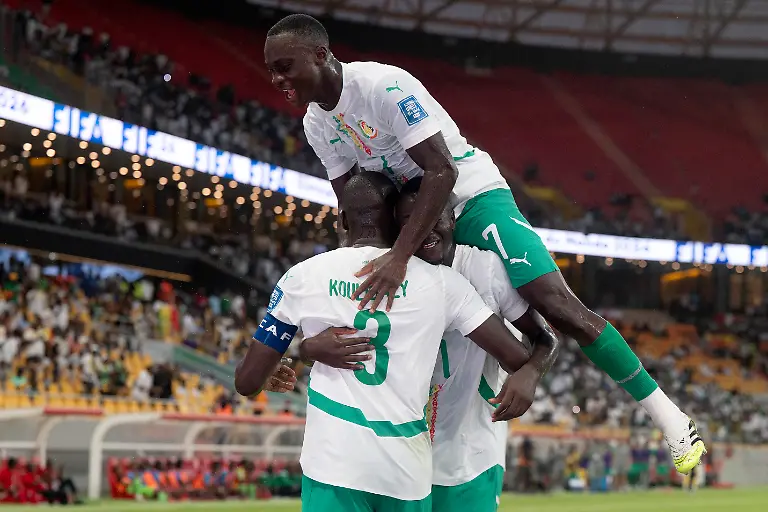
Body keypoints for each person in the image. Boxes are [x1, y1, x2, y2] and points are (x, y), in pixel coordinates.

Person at [263, 13, 705, 474]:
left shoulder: (383, 86)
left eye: (285, 66)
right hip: (411, 214)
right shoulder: (317, 125)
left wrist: (397, 258)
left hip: (471, 197)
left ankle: (670, 418)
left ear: (321, 55)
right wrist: (299, 342)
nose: (277, 79)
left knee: (554, 302)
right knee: (389, 307)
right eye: (272, 69)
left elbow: (443, 170)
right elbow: (355, 208)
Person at [235, 173, 533, 511]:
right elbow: (518, 357)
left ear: (342, 218)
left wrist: (301, 351)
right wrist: (531, 370)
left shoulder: (301, 277)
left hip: (333, 465)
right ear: (397, 221)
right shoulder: (444, 284)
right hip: (406, 471)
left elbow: (247, 382)